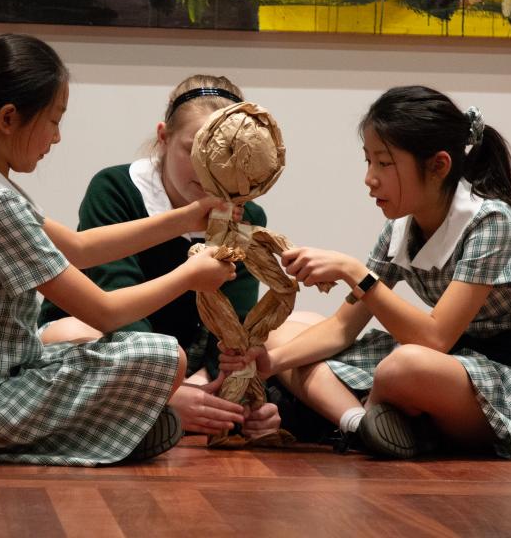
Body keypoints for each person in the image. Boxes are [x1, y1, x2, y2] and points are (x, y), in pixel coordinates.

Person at [0, 34, 237, 466]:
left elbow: (79, 248)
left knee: (135, 357)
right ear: (8, 119)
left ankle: (111, 430)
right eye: (54, 120)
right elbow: (105, 312)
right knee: (160, 356)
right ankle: (99, 433)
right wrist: (190, 276)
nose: (57, 137)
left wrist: (185, 218)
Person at [223, 85, 511, 459]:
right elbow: (342, 327)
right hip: (453, 364)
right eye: (368, 161)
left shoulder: (492, 223)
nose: (370, 177)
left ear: (438, 166)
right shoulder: (401, 227)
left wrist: (353, 271)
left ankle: (363, 417)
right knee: (283, 331)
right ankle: (359, 424)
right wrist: (268, 364)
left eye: (384, 163)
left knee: (404, 366)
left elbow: (433, 340)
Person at [39, 74, 322, 440]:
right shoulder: (115, 189)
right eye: (194, 150)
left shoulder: (248, 216)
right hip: (114, 336)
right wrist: (169, 390)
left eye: (228, 155)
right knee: (71, 334)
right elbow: (113, 301)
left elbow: (232, 322)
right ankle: (158, 409)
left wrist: (221, 386)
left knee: (303, 325)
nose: (211, 169)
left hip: (186, 360)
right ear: (163, 137)